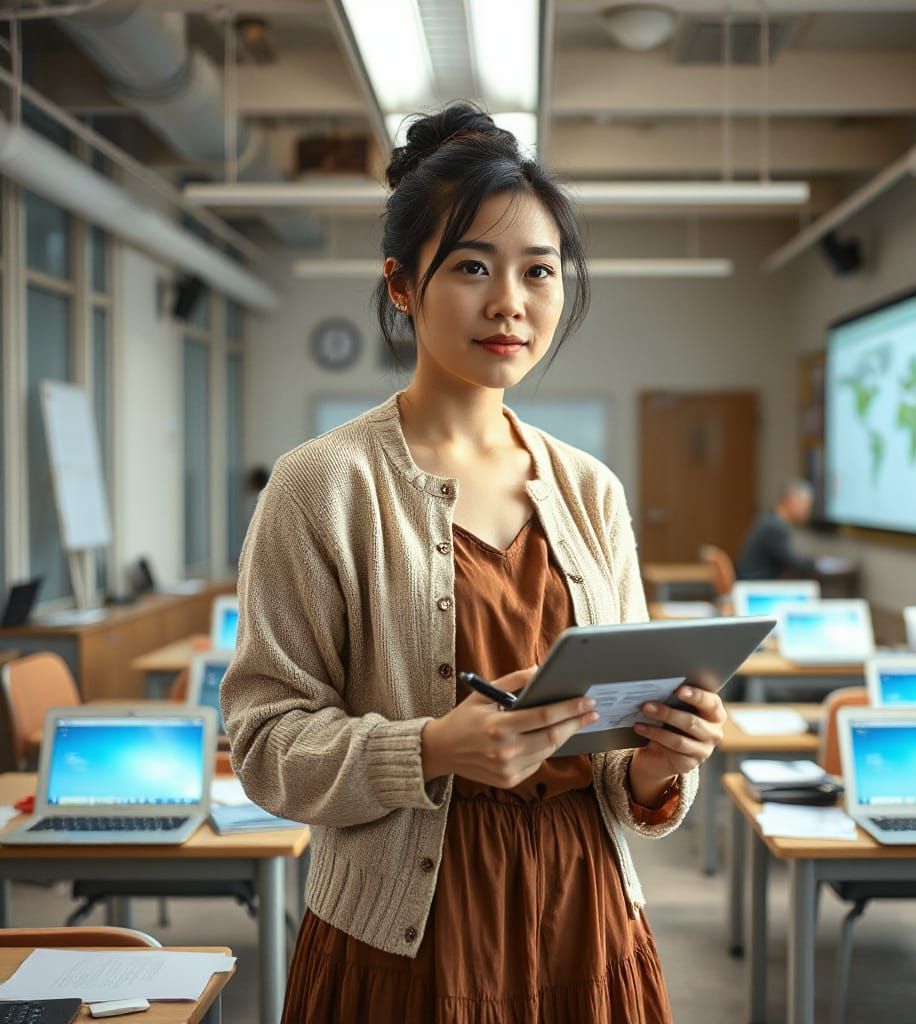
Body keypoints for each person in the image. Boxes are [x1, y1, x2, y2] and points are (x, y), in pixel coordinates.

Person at [221, 102, 726, 1023]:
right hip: (406, 936)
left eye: (539, 270)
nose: (510, 303)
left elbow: (617, 764)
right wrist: (432, 748)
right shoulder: (321, 485)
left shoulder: (590, 490)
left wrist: (660, 764)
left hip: (586, 919)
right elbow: (263, 746)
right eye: (471, 267)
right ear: (401, 285)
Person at [736, 479, 817, 580]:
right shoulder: (774, 527)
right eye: (806, 507)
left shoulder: (770, 520)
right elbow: (792, 561)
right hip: (755, 584)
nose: (807, 513)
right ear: (793, 501)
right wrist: (816, 564)